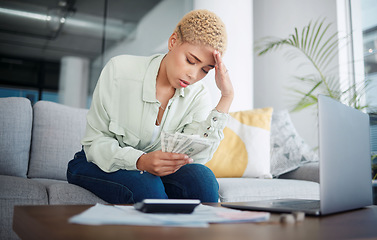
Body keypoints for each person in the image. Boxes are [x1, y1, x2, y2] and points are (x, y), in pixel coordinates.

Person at [66, 9, 233, 204]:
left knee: (202, 178)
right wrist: (140, 161)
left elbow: (196, 158)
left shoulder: (198, 94)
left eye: (205, 69)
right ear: (173, 42)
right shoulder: (119, 71)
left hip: (154, 173)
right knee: (146, 184)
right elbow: (95, 142)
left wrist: (226, 97)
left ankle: (204, 233)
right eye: (190, 61)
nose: (193, 75)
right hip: (97, 162)